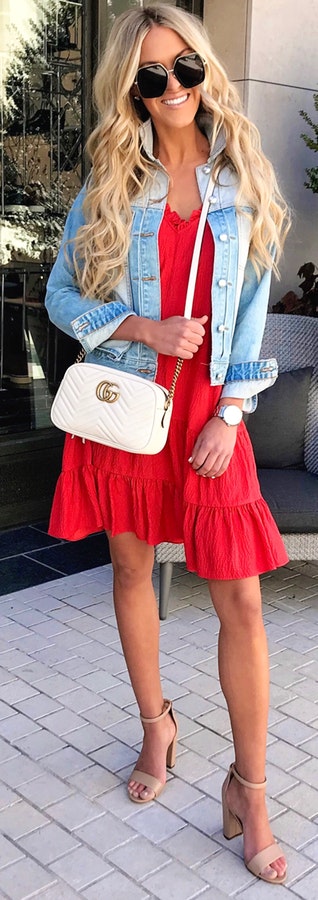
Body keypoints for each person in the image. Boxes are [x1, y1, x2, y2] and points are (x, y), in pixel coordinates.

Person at [45, 4, 291, 885]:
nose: (175, 87)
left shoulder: (242, 177)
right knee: (128, 571)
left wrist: (232, 415)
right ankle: (158, 727)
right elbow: (60, 298)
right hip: (131, 408)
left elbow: (254, 314)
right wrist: (139, 326)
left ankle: (251, 787)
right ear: (133, 91)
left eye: (186, 67)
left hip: (208, 422)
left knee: (245, 606)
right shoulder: (113, 180)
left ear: (204, 70)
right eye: (153, 76)